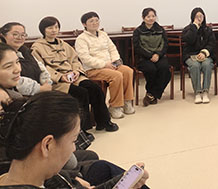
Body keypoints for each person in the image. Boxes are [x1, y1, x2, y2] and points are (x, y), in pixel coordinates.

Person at [0, 91, 150, 189]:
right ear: (47, 145)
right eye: (73, 141)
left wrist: (122, 183)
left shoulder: (38, 175)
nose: (74, 149)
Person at [31, 16, 118, 132]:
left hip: (74, 76)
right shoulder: (37, 47)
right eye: (50, 28)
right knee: (81, 93)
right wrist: (60, 77)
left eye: (56, 27)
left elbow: (75, 60)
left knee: (95, 89)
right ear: (43, 30)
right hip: (57, 81)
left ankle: (104, 122)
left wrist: (76, 71)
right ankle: (82, 129)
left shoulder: (64, 44)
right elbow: (42, 68)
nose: (54, 30)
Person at [75, 12, 134, 119]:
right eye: (91, 21)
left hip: (110, 65)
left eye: (96, 20)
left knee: (127, 71)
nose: (95, 23)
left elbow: (112, 49)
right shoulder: (81, 39)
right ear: (84, 24)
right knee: (116, 75)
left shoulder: (103, 34)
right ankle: (115, 106)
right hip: (93, 69)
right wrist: (104, 64)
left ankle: (127, 102)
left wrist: (115, 61)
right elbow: (85, 58)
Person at [132, 8, 171, 106]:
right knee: (151, 69)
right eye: (148, 16)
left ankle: (151, 94)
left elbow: (165, 44)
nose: (151, 18)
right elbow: (137, 47)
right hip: (144, 58)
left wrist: (158, 54)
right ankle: (153, 95)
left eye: (153, 16)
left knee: (165, 70)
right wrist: (150, 55)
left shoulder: (161, 30)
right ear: (143, 18)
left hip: (159, 56)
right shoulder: (138, 31)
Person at [0, 23, 52, 96]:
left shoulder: (25, 51)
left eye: (23, 35)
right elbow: (14, 80)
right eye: (15, 34)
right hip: (24, 94)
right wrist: (40, 89)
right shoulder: (3, 54)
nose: (19, 38)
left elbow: (41, 67)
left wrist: (46, 82)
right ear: (3, 35)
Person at [181, 7, 216, 104]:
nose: (199, 19)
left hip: (205, 55)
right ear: (193, 17)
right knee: (195, 66)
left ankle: (205, 92)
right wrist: (194, 27)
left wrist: (204, 53)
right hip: (190, 55)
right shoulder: (187, 29)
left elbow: (212, 44)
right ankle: (197, 92)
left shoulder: (208, 30)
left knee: (207, 65)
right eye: (197, 17)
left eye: (201, 16)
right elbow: (189, 40)